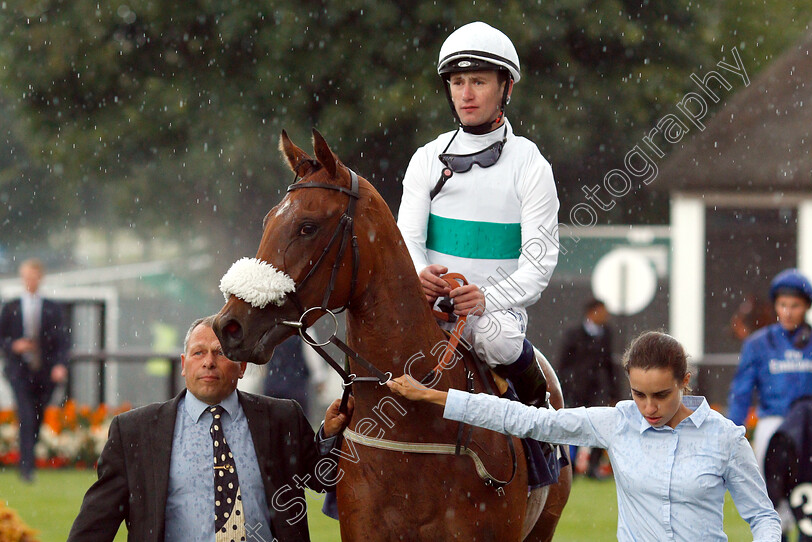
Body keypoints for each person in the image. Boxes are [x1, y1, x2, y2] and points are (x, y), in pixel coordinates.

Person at [388, 331, 782, 541]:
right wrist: (434, 396)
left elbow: (763, 517)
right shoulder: (616, 422)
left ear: (685, 382)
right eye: (638, 394)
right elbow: (523, 418)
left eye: (661, 395)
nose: (649, 407)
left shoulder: (727, 438)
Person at [68, 316, 353, 542]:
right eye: (198, 353)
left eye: (220, 353)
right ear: (183, 364)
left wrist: (328, 434)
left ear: (242, 366)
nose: (208, 362)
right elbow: (96, 524)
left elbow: (321, 480)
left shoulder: (282, 418)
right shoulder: (135, 432)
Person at [396, 21, 560, 408]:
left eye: (478, 82)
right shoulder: (425, 158)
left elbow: (538, 265)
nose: (466, 94)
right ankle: (334, 444)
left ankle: (539, 431)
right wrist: (419, 274)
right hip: (428, 309)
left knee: (498, 340)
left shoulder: (531, 165)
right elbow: (407, 240)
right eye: (457, 82)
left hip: (496, 315)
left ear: (506, 86)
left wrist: (485, 299)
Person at [727, 269, 812, 538]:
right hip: (773, 428)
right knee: (773, 503)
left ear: (807, 306)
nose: (788, 312)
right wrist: (731, 432)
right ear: (775, 305)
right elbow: (741, 392)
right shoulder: (758, 344)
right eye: (782, 305)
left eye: (795, 306)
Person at [0, 258, 69, 482]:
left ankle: (29, 458)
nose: (29, 281)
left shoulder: (52, 308)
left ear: (40, 278)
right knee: (26, 415)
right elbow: (3, 339)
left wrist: (59, 365)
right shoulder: (10, 307)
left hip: (44, 372)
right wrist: (14, 345)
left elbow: (62, 340)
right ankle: (26, 469)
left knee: (38, 415)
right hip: (19, 371)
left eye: (33, 276)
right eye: (26, 276)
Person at [553, 298, 618, 477]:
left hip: (597, 389)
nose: (606, 316)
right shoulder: (573, 333)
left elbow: (609, 364)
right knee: (573, 426)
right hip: (575, 389)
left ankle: (593, 467)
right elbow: (562, 363)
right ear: (592, 312)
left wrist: (614, 392)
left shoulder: (607, 333)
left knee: (599, 426)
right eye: (603, 311)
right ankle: (571, 467)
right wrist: (564, 387)